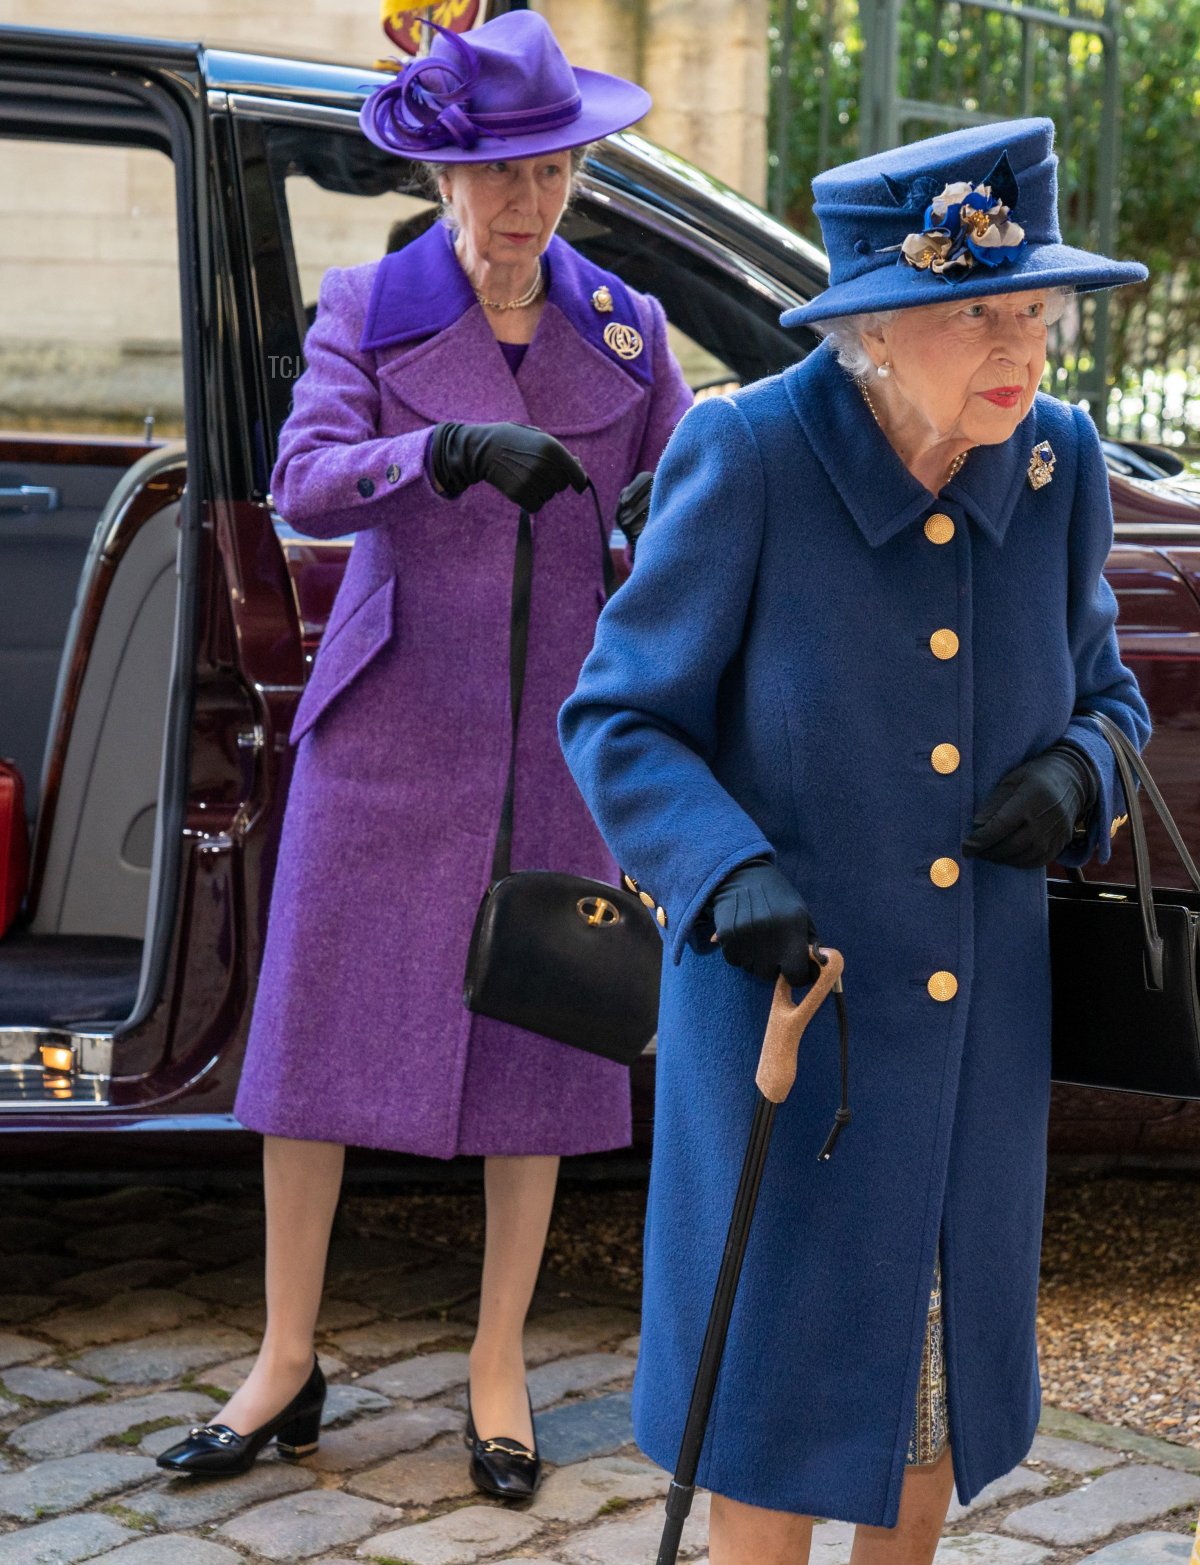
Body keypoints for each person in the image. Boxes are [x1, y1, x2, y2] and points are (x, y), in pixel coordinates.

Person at [558, 117, 1151, 1565]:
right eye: (978, 315)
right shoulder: (751, 455)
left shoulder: (1056, 463)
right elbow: (618, 719)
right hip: (793, 1026)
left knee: (931, 1408)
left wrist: (1078, 775)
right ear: (876, 332)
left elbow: (1112, 694)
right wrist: (724, 867)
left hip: (972, 1053)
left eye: (1037, 310)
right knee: (767, 1400)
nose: (1024, 348)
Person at [157, 11, 692, 1495]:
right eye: (498, 176)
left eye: (553, 171)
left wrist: (652, 531)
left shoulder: (626, 330)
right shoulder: (366, 310)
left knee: (540, 1049)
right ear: (444, 176)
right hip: (387, 735)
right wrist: (439, 454)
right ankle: (283, 1359)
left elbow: (699, 488)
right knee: (312, 1058)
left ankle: (499, 1364)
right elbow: (305, 483)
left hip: (554, 747)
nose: (525, 208)